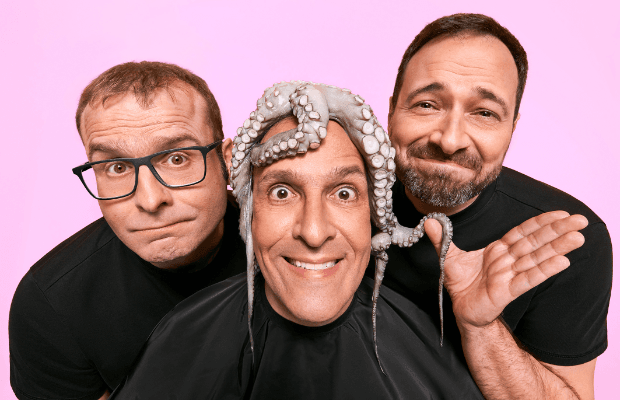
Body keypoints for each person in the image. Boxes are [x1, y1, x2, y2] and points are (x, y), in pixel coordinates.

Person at [109, 81, 587, 399]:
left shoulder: (427, 345)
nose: (314, 231)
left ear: (372, 217)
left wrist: (482, 328)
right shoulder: (182, 335)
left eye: (343, 193)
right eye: (282, 192)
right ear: (248, 212)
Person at [378, 13, 613, 399]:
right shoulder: (332, 196)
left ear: (512, 128)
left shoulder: (565, 239)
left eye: (484, 113)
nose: (450, 140)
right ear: (392, 111)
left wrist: (481, 327)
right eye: (427, 104)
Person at [9, 62, 246, 400]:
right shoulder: (51, 306)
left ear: (227, 161)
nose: (150, 200)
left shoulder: (298, 247)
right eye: (117, 167)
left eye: (177, 158)